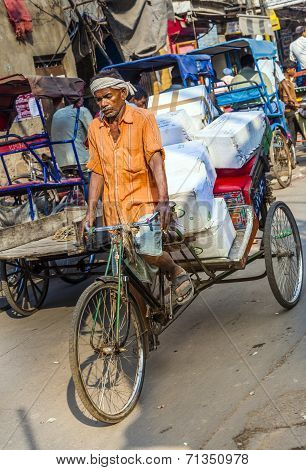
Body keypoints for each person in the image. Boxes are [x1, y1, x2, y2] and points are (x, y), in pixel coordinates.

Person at [85, 68, 194, 304]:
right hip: (114, 211)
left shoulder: (143, 118)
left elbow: (156, 160)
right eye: (98, 99)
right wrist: (90, 211)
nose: (103, 103)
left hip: (144, 205)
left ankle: (175, 270)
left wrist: (164, 202)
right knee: (124, 265)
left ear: (123, 93)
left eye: (108, 96)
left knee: (149, 252)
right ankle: (144, 314)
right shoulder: (95, 127)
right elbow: (96, 170)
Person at [51, 99, 92, 170]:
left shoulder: (56, 114)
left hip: (61, 164)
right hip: (80, 161)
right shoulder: (82, 110)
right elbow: (94, 133)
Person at [279, 60, 306, 145]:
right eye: (294, 69)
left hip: (294, 112)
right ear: (288, 70)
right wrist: (300, 105)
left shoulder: (288, 82)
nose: (295, 71)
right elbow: (286, 101)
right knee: (293, 138)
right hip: (291, 113)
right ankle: (290, 156)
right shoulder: (285, 83)